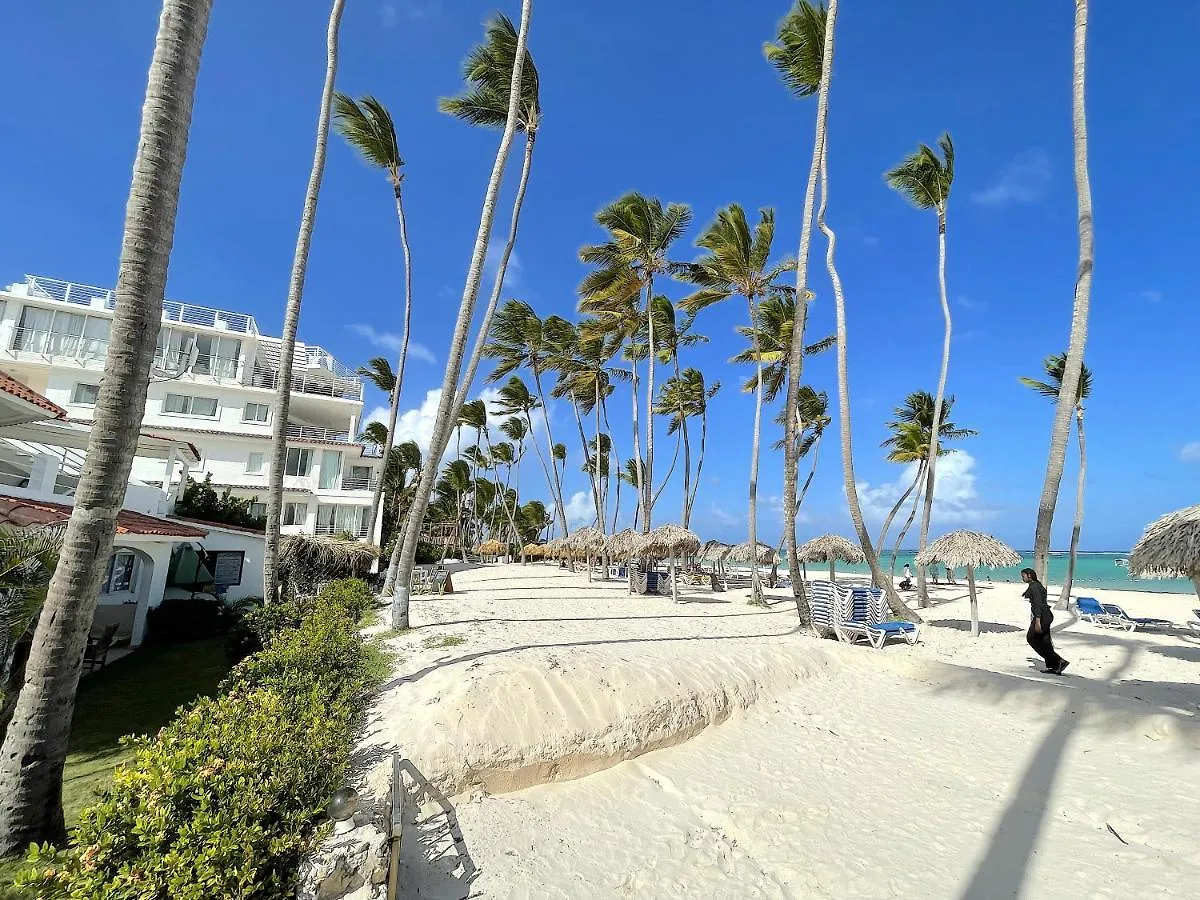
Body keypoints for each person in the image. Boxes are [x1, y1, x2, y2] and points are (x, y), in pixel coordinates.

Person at [1021, 568, 1068, 674]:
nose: (1022, 578)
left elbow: (1038, 604)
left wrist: (1037, 621)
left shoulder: (1034, 587)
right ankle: (1056, 666)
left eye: (1023, 576)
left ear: (1029, 576)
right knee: (1044, 641)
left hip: (1042, 616)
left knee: (1031, 638)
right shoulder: (1036, 585)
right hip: (1045, 615)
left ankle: (1058, 661)